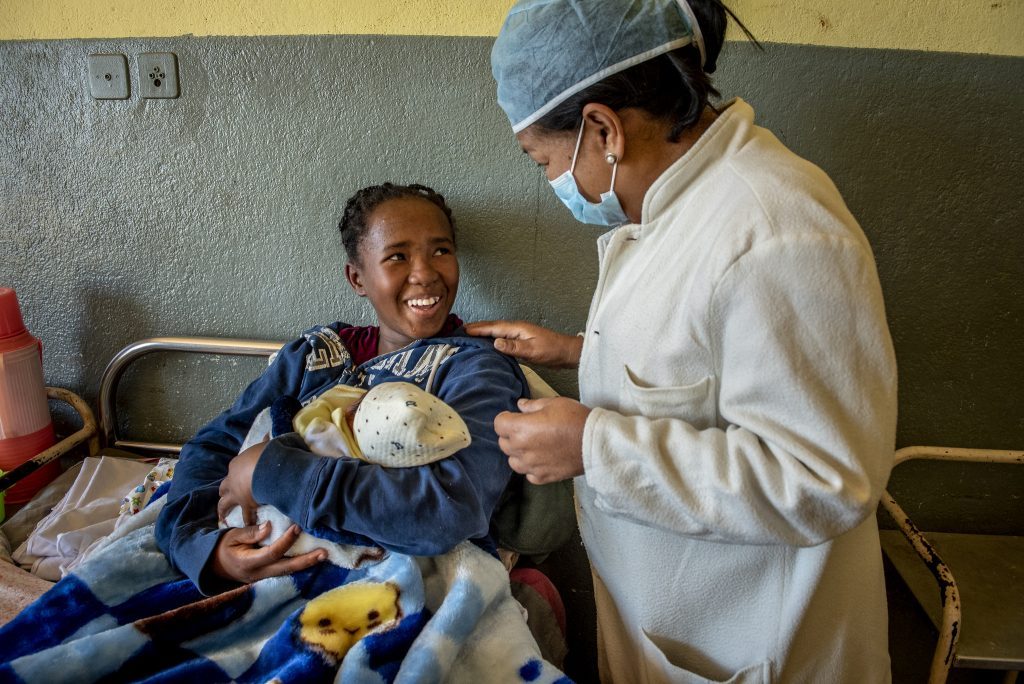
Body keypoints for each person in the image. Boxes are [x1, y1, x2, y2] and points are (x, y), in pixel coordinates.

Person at [468, 1, 898, 682]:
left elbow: (824, 477)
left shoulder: (775, 229)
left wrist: (592, 446)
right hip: (679, 623)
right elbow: (715, 349)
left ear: (602, 127)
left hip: (756, 646)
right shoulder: (681, 205)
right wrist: (580, 350)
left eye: (541, 159)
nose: (551, 180)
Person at [155, 182, 529, 595]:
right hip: (261, 567)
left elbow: (450, 508)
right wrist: (205, 549)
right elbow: (212, 448)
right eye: (397, 257)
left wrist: (274, 471)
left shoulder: (475, 370)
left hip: (386, 589)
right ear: (357, 278)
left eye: (441, 250)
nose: (425, 273)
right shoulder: (314, 356)